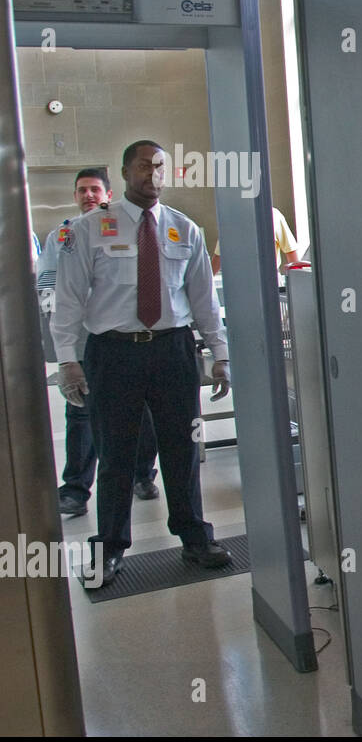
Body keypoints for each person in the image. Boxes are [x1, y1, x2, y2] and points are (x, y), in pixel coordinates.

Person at [51, 140, 233, 588]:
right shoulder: (89, 229)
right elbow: (69, 300)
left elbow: (203, 302)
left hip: (172, 350)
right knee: (115, 453)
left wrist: (220, 354)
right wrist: (69, 362)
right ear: (124, 172)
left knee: (182, 448)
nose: (152, 174)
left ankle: (194, 538)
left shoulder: (183, 229)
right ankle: (109, 547)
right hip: (113, 353)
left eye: (160, 167)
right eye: (142, 166)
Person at [36, 167, 161, 517]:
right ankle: (76, 488)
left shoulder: (132, 227)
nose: (88, 196)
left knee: (143, 409)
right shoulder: (63, 235)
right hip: (82, 338)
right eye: (81, 190)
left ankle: (142, 475)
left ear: (108, 193)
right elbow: (49, 282)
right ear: (75, 196)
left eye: (94, 189)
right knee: (80, 411)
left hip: (124, 335)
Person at [210, 205, 301, 274]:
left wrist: (297, 284)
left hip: (270, 278)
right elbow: (219, 257)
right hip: (242, 279)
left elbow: (291, 252)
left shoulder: (273, 215)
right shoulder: (231, 220)